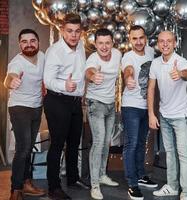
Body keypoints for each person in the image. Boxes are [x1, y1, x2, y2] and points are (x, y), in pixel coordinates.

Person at [43, 13, 88, 200]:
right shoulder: (55, 51)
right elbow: (48, 80)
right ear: (62, 30)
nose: (73, 35)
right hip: (57, 100)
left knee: (74, 143)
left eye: (77, 31)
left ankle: (72, 178)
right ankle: (53, 187)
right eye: (69, 31)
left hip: (75, 103)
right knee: (57, 144)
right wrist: (64, 85)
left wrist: (80, 94)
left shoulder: (81, 47)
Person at [147, 31, 187, 200]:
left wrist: (180, 74)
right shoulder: (155, 64)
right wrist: (151, 114)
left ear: (175, 43)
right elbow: (151, 88)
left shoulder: (181, 62)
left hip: (181, 116)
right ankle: (173, 186)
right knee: (170, 152)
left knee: (184, 154)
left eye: (169, 41)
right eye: (162, 41)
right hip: (164, 115)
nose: (165, 44)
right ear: (158, 44)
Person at [4, 29, 45, 200]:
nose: (29, 44)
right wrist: (11, 81)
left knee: (29, 148)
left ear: (38, 42)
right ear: (20, 44)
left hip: (36, 107)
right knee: (23, 148)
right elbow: (8, 78)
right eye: (24, 41)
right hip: (19, 107)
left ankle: (26, 183)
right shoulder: (17, 62)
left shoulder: (43, 56)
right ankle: (16, 189)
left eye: (32, 40)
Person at [121, 25, 158, 200]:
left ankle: (141, 175)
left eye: (141, 37)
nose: (138, 41)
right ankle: (132, 183)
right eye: (134, 38)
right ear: (130, 40)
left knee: (142, 143)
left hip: (146, 106)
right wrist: (128, 78)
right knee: (132, 143)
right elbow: (128, 69)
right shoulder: (127, 56)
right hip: (131, 106)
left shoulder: (151, 52)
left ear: (146, 37)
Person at [85, 28, 121, 200]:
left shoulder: (118, 54)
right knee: (98, 142)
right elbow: (88, 71)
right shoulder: (92, 58)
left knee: (107, 142)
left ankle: (101, 175)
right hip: (95, 104)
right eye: (100, 43)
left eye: (107, 42)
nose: (104, 46)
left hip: (110, 105)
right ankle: (94, 185)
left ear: (112, 43)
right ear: (95, 44)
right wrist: (93, 77)